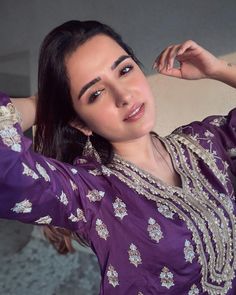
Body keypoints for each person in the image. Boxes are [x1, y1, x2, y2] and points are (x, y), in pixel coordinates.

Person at [1, 20, 236, 295]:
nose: (124, 95)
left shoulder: (205, 143)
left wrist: (219, 71)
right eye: (95, 93)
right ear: (79, 120)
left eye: (125, 70)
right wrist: (45, 105)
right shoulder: (90, 194)